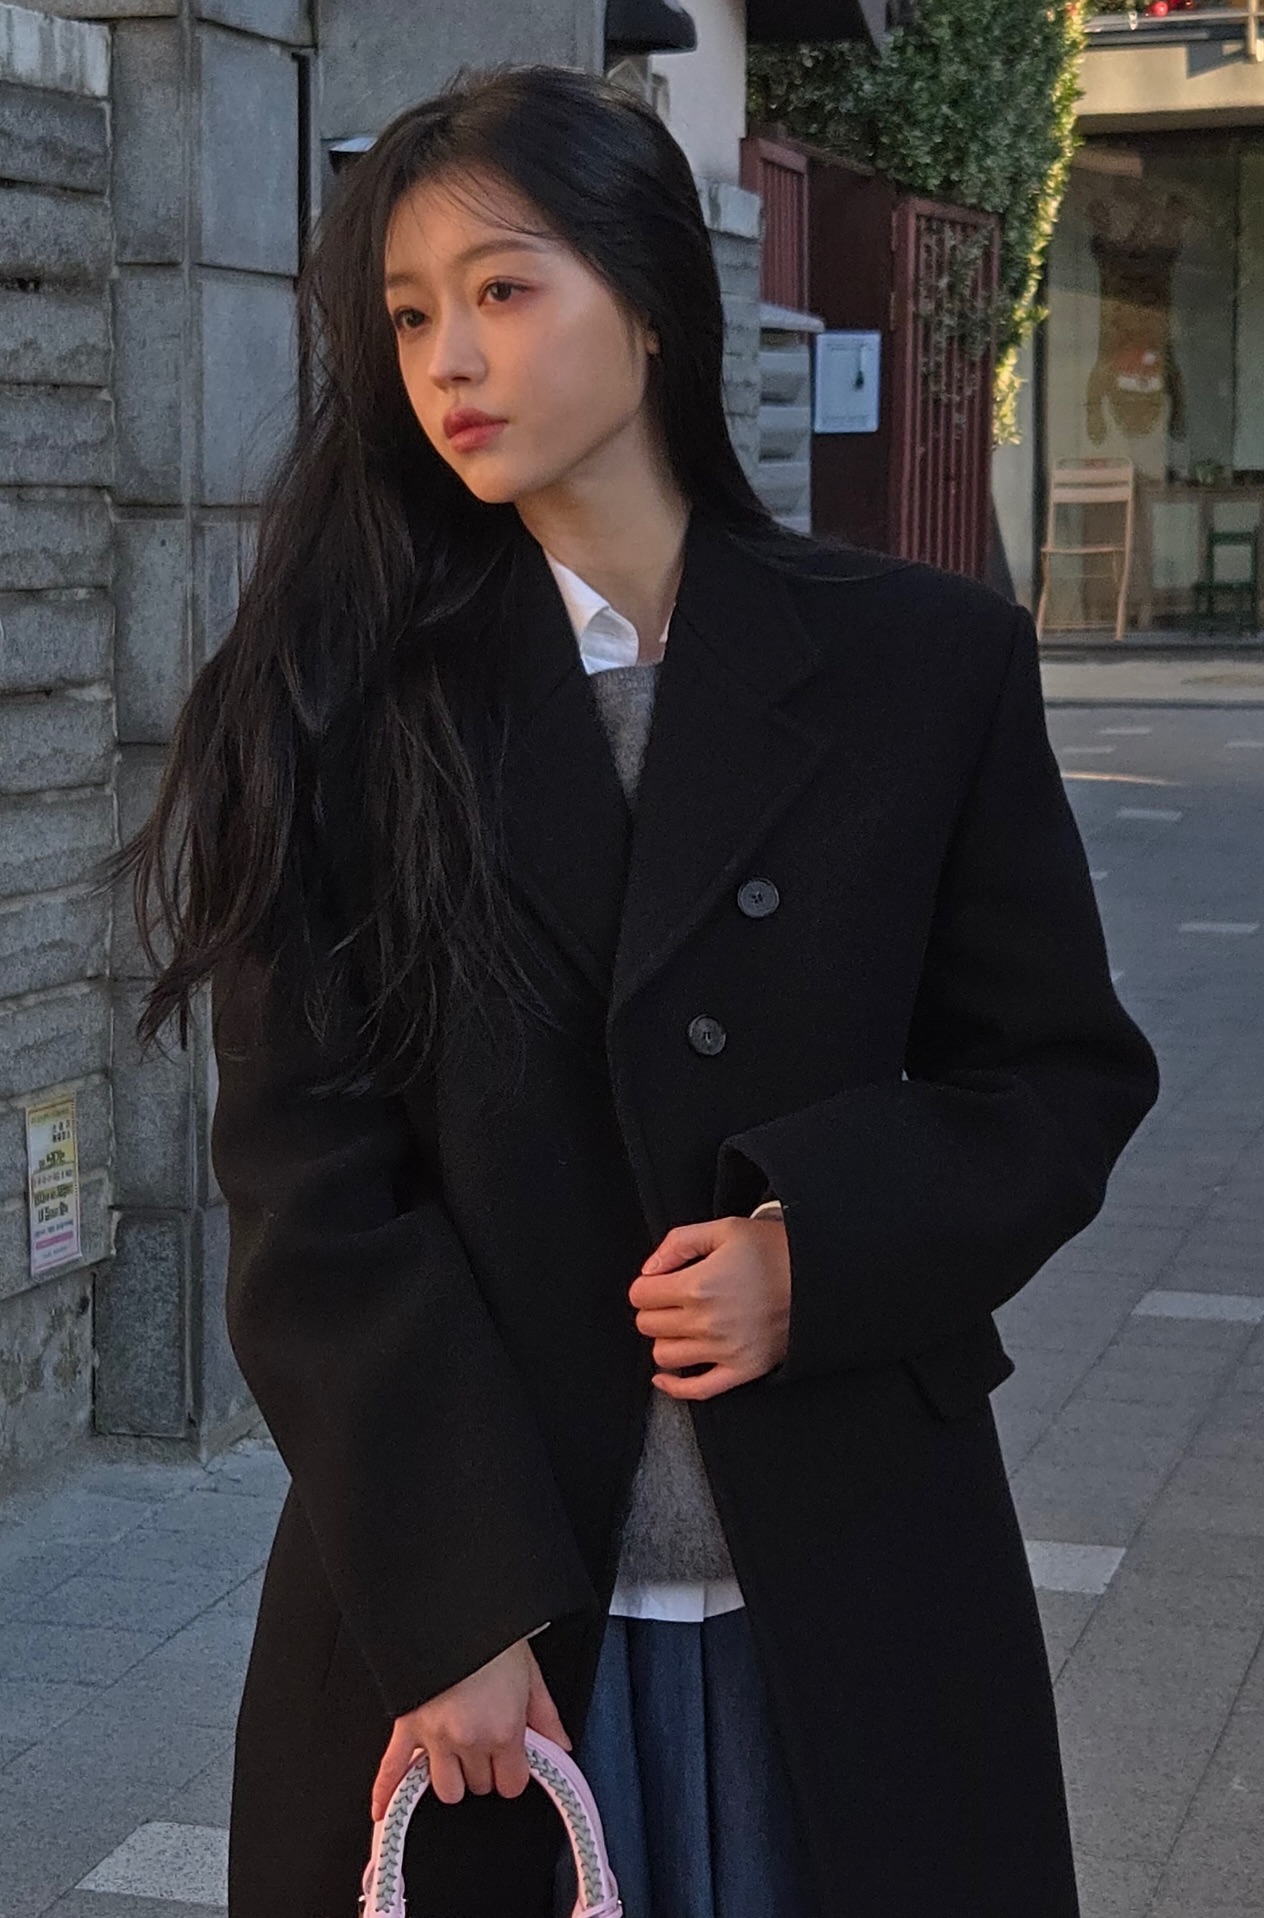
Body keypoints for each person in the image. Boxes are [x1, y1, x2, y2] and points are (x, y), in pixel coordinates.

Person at [116, 62, 1160, 1918]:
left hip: (847, 1588)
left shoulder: (924, 667)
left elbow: (1057, 1078)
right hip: (494, 1635)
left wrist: (818, 1246)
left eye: (505, 290)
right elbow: (306, 1186)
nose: (452, 359)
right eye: (410, 316)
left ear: (655, 298)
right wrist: (447, 1607)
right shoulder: (341, 704)